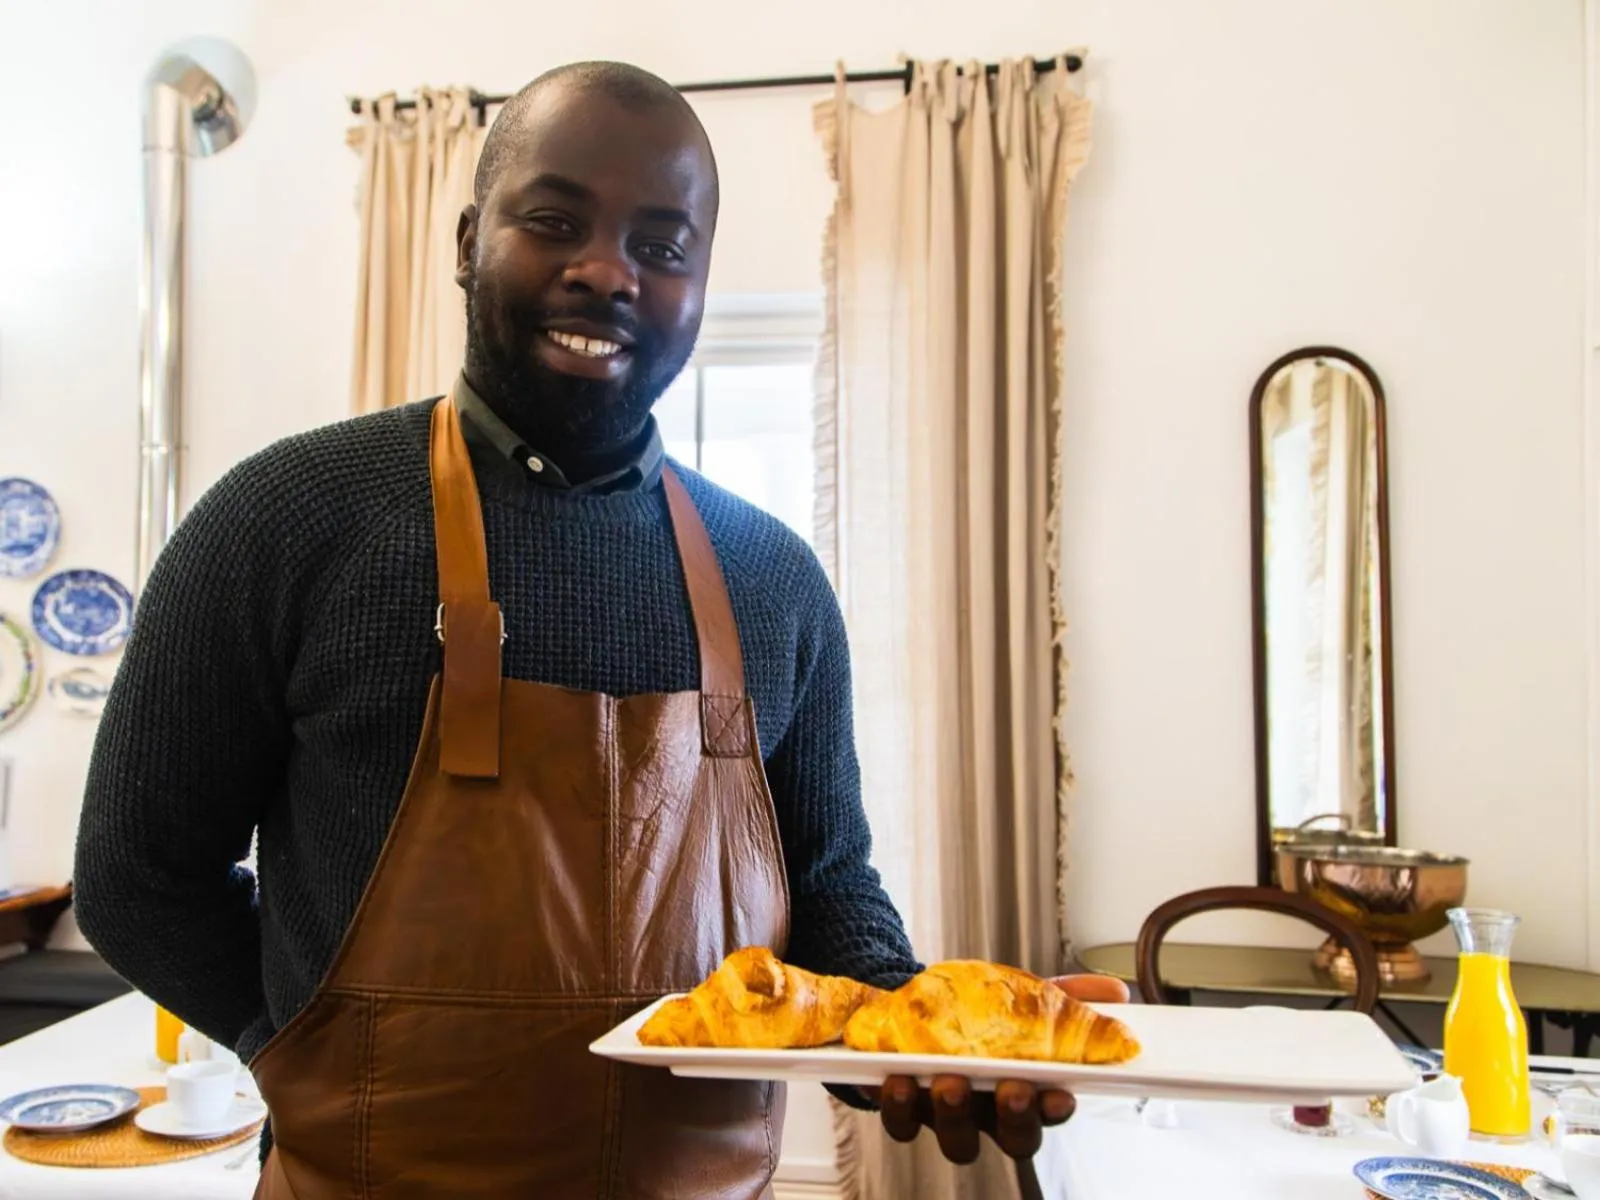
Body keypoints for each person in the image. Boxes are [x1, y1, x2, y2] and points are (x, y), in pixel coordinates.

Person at [74, 60, 1124, 1197]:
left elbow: (826, 889)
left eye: (663, 247)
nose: (605, 272)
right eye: (554, 220)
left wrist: (912, 1044)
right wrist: (296, 1040)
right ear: (470, 237)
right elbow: (138, 874)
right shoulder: (286, 520)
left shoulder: (772, 579)